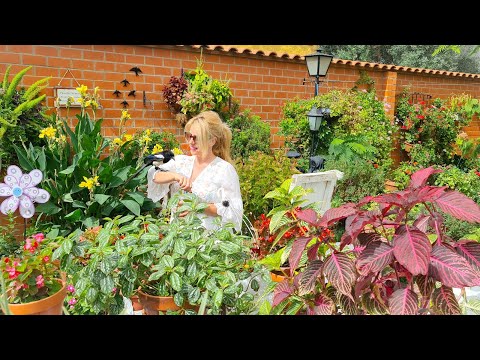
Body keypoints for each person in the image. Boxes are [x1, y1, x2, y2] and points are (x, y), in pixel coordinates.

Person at [146, 111, 243, 232]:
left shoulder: (224, 170)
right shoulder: (181, 162)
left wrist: (196, 207)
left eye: (197, 138)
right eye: (189, 136)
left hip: (209, 241)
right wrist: (174, 176)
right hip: (178, 237)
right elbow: (153, 175)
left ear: (212, 141)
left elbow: (232, 209)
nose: (191, 142)